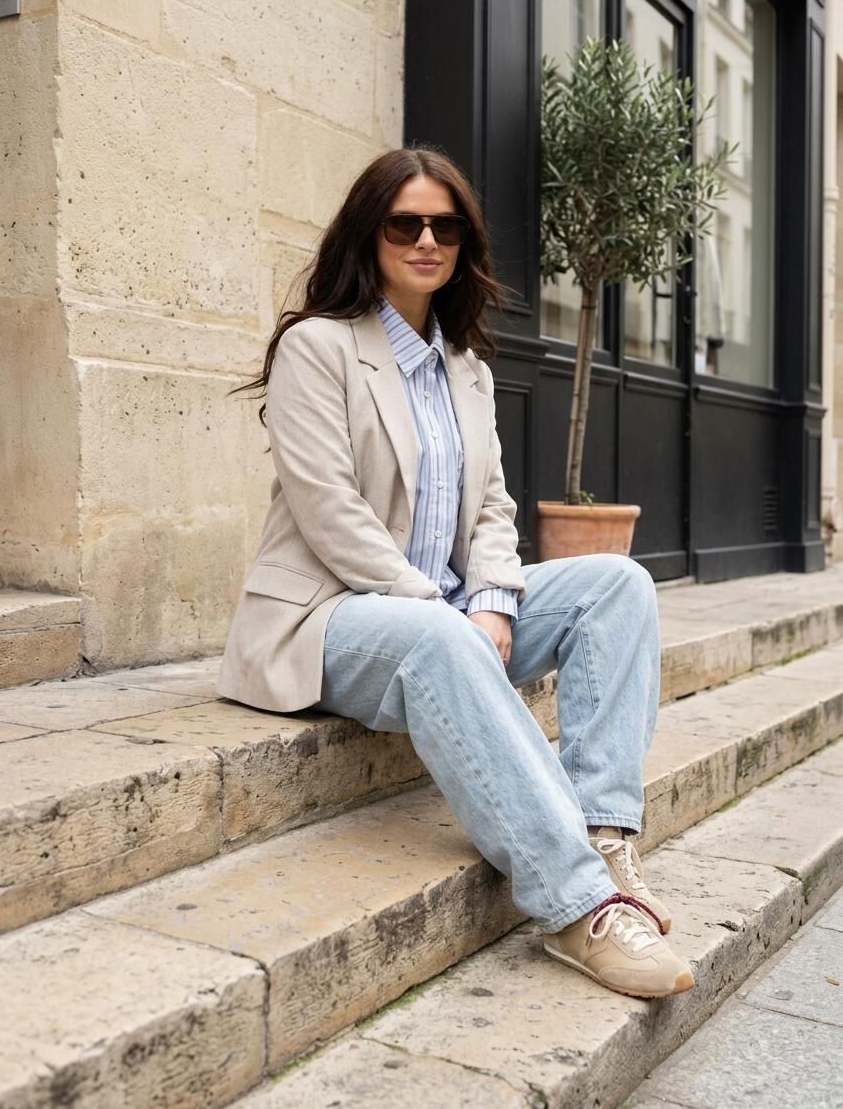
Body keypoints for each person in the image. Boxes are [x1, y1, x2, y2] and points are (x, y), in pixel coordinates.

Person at [219, 146, 694, 1000]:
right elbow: (330, 514)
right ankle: (579, 906)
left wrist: (493, 599)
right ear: (369, 235)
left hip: (448, 620)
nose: (427, 241)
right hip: (329, 618)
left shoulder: (466, 368)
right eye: (405, 223)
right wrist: (446, 610)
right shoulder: (318, 348)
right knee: (441, 636)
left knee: (617, 585)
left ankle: (604, 835)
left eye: (445, 226)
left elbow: (493, 509)